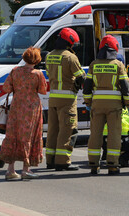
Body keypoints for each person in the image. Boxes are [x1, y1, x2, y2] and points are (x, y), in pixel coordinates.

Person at [83, 35, 129, 175]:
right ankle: (112, 165)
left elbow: (87, 87)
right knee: (114, 135)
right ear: (115, 48)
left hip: (97, 105)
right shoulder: (118, 65)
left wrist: (88, 102)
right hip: (114, 106)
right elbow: (125, 86)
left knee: (95, 134)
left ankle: (93, 164)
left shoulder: (94, 64)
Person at [0, 47, 47, 180]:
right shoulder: (38, 74)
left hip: (17, 106)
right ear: (37, 60)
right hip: (31, 108)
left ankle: (10, 170)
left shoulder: (15, 71)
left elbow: (6, 88)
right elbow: (43, 90)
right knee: (29, 136)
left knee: (13, 135)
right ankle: (26, 169)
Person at [45, 28, 85, 171]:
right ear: (70, 42)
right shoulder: (70, 57)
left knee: (53, 130)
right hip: (67, 100)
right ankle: (62, 161)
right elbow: (81, 77)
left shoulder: (49, 56)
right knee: (67, 130)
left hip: (53, 98)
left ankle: (50, 160)